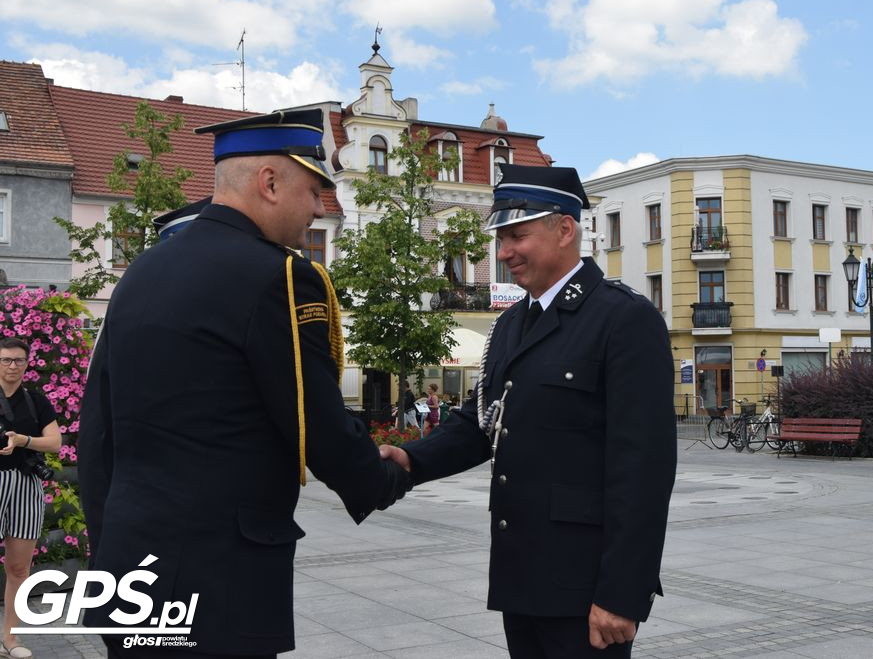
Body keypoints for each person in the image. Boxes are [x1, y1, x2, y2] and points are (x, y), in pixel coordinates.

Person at [78, 109, 410, 658]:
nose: (320, 209)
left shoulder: (140, 272)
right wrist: (382, 476)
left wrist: (109, 544)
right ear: (270, 182)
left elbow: (98, 430)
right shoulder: (279, 275)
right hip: (218, 579)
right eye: (314, 191)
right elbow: (314, 417)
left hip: (130, 566)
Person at [380, 164, 677, 658]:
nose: (503, 252)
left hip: (585, 589)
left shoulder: (623, 320)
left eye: (518, 235)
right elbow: (484, 421)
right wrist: (414, 460)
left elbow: (643, 470)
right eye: (501, 237)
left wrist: (622, 593)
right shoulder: (513, 322)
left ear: (565, 229)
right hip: (521, 574)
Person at [0, 338, 61, 659]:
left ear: (27, 364)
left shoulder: (36, 401)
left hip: (25, 484)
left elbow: (54, 443)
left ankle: (10, 638)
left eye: (19, 361)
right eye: (7, 360)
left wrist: (22, 440)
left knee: (20, 566)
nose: (13, 366)